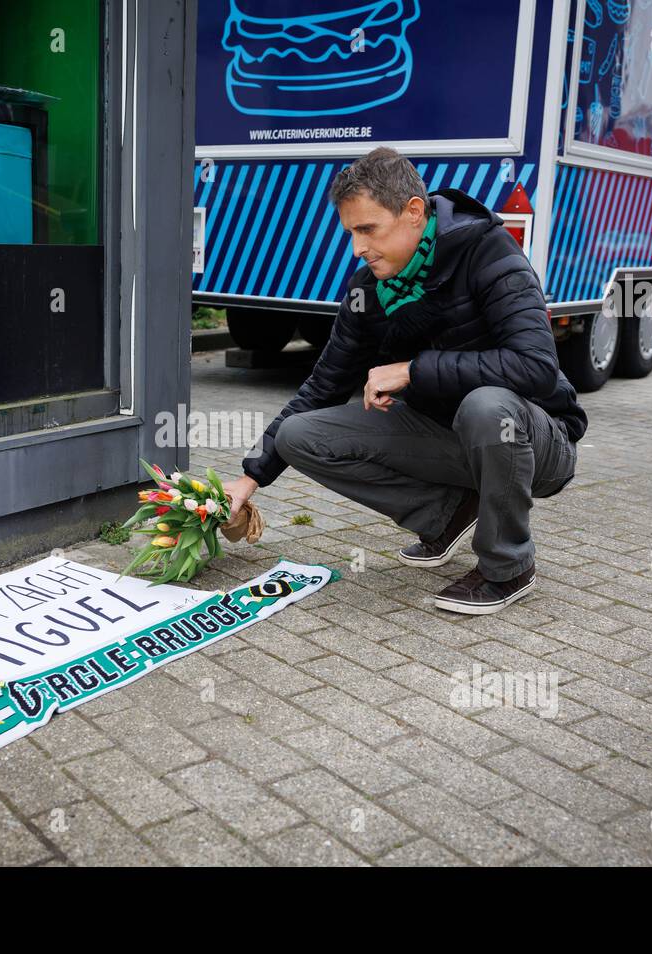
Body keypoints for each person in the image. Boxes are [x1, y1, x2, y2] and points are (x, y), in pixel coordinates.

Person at [221, 147, 588, 615]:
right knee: (301, 435)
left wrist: (413, 370)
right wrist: (249, 478)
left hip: (538, 441)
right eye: (351, 232)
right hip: (449, 438)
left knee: (487, 405)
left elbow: (534, 365)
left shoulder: (489, 252)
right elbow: (323, 384)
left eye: (368, 229)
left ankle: (507, 566)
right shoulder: (368, 290)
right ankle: (447, 514)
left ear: (414, 212)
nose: (358, 247)